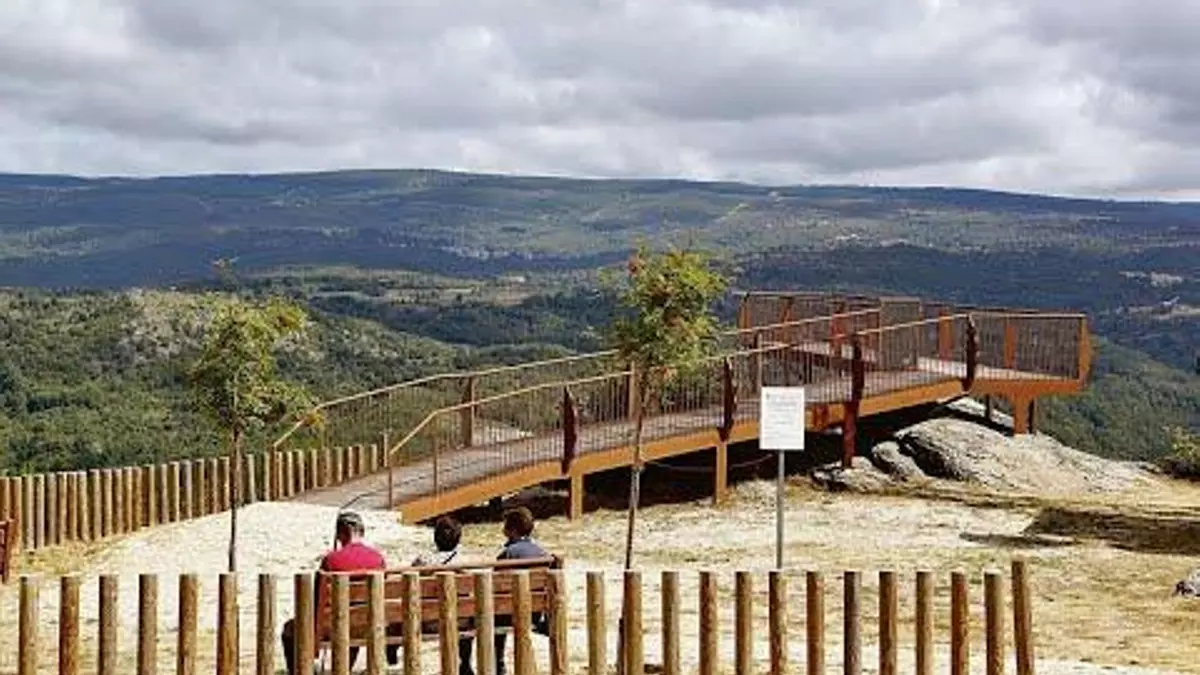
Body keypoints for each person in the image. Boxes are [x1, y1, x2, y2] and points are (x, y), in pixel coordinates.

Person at [280, 511, 399, 675]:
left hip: (334, 626)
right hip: (370, 625)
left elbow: (318, 602)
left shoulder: (331, 560)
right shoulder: (378, 559)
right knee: (356, 616)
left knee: (289, 629)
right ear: (362, 532)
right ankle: (344, 669)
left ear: (340, 534)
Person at [460, 506, 550, 675]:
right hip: (534, 613)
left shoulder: (508, 555)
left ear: (512, 530)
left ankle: (484, 662)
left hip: (507, 614)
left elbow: (496, 588)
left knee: (472, 615)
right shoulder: (543, 554)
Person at [410, 516, 475, 675]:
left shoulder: (422, 561)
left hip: (429, 622)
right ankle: (465, 662)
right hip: (460, 621)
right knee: (468, 614)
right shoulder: (465, 562)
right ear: (458, 539)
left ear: (435, 538)